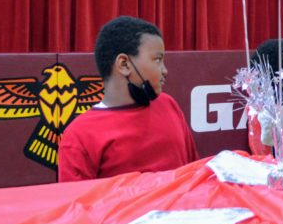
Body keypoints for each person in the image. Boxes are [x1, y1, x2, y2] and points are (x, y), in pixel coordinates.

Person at [58, 16, 198, 182]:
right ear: (124, 64)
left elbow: (193, 175)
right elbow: (77, 204)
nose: (165, 70)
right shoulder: (79, 136)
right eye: (158, 59)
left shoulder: (168, 105)